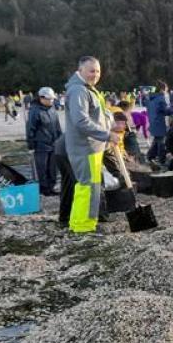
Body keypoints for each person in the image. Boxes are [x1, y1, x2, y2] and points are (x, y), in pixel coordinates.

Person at [64, 56, 120, 234]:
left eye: (97, 71)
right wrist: (106, 135)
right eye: (91, 71)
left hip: (94, 148)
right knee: (87, 187)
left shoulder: (90, 89)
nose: (95, 75)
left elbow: (99, 114)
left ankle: (81, 223)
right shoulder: (78, 91)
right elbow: (80, 121)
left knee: (91, 186)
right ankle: (83, 227)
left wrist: (109, 124)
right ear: (80, 70)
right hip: (85, 148)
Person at [26, 87, 63, 196]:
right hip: (41, 145)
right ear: (41, 98)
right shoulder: (35, 111)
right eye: (49, 99)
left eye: (52, 99)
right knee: (42, 167)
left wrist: (60, 140)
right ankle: (44, 188)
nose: (51, 101)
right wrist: (31, 145)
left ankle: (51, 187)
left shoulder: (52, 109)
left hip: (54, 143)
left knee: (53, 168)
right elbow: (30, 129)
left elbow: (57, 126)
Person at [146, 83, 173, 166]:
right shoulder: (161, 99)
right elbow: (167, 111)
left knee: (156, 140)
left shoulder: (150, 98)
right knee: (161, 143)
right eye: (166, 90)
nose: (166, 92)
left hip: (152, 122)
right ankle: (161, 160)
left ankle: (150, 156)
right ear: (162, 89)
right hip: (160, 123)